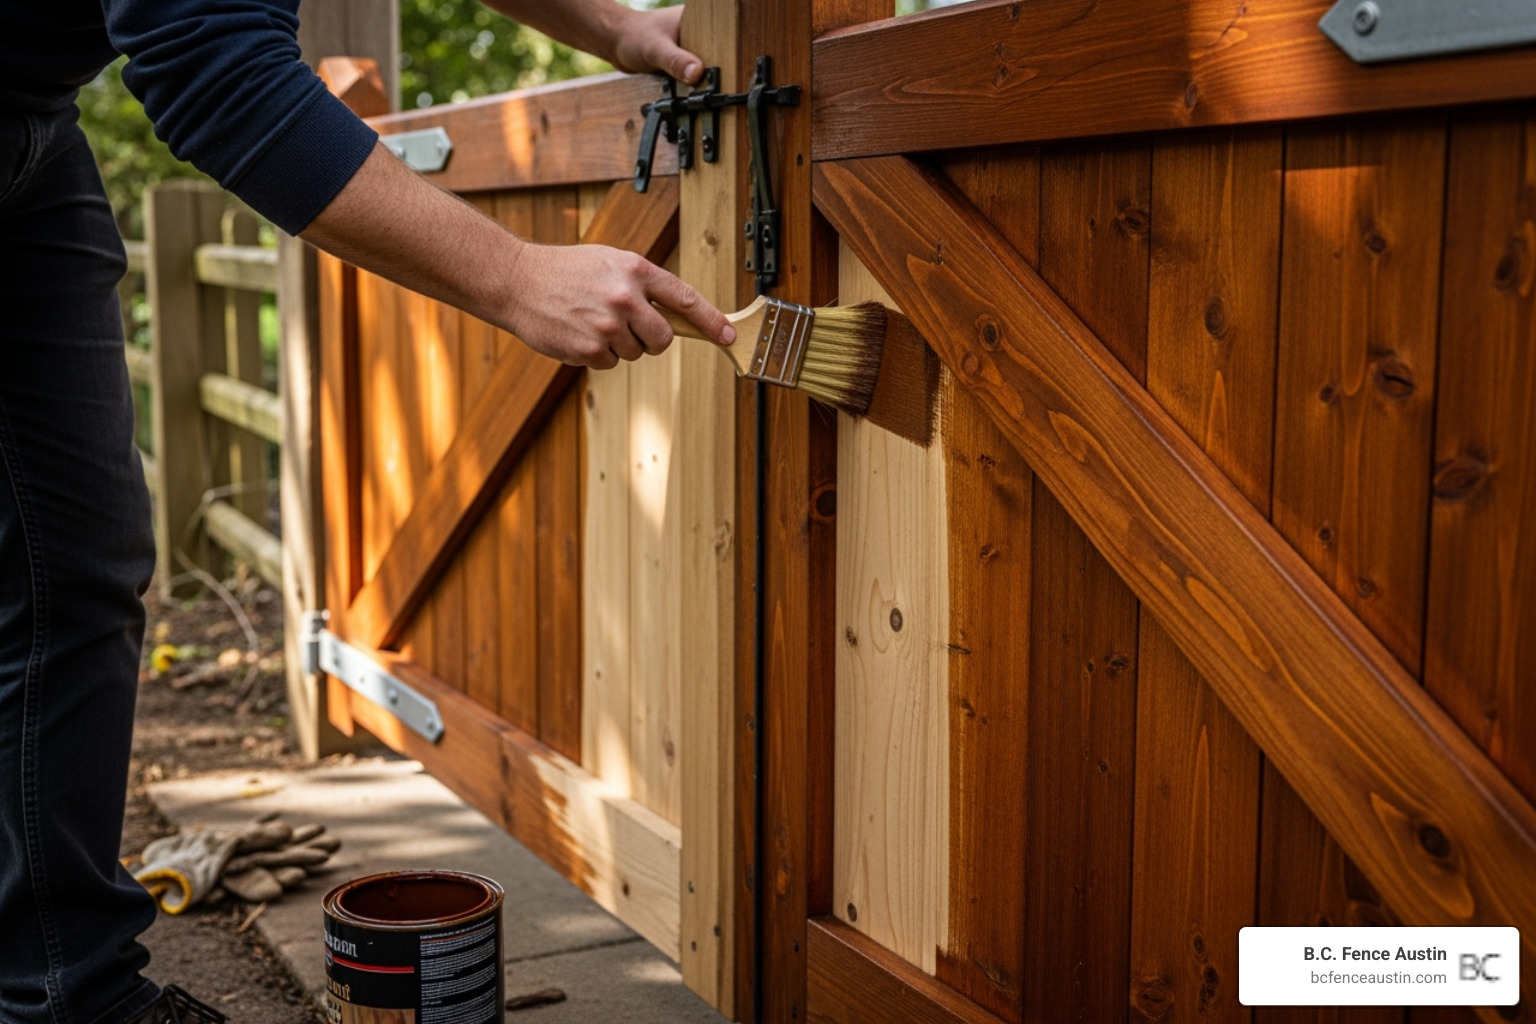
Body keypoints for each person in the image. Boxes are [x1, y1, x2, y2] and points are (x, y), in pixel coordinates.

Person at [0, 1, 732, 1021]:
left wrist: (612, 28)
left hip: (27, 124)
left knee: (72, 567)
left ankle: (66, 995)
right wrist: (518, 275)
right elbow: (210, 68)